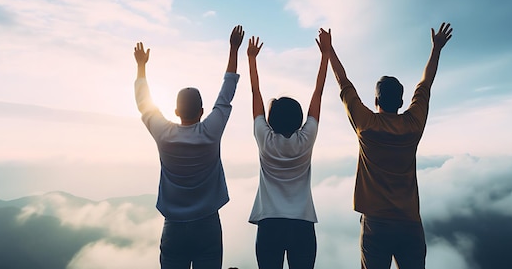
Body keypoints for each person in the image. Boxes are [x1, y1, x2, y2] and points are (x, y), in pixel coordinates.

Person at [320, 23, 453, 269]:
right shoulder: (413, 125)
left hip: (376, 224)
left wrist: (329, 50)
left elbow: (344, 83)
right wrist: (436, 50)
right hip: (410, 223)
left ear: (375, 100)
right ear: (402, 102)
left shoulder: (366, 125)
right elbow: (425, 85)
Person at [133, 25, 245, 269]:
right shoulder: (210, 131)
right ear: (202, 111)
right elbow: (227, 93)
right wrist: (234, 49)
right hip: (207, 224)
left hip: (174, 225)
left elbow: (144, 103)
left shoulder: (164, 134)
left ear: (175, 111)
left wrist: (141, 65)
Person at [246, 32, 330, 269]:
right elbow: (319, 93)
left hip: (269, 224)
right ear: (299, 120)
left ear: (271, 120)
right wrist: (325, 55)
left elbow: (255, 93)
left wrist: (251, 59)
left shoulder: (265, 138)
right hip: (302, 225)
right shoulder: (306, 139)